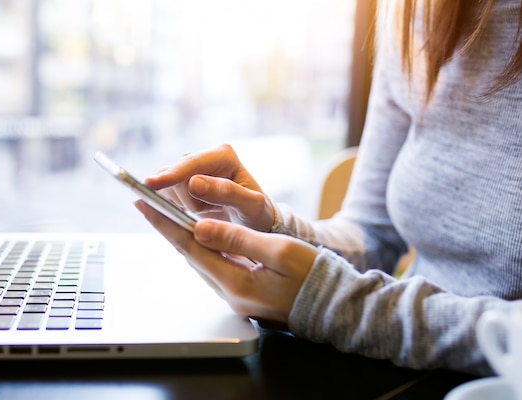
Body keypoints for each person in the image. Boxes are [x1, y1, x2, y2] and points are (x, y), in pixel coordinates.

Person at [134, 0, 522, 376]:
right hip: (403, 369)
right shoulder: (418, 13)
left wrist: (336, 305)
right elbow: (372, 233)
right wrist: (267, 224)